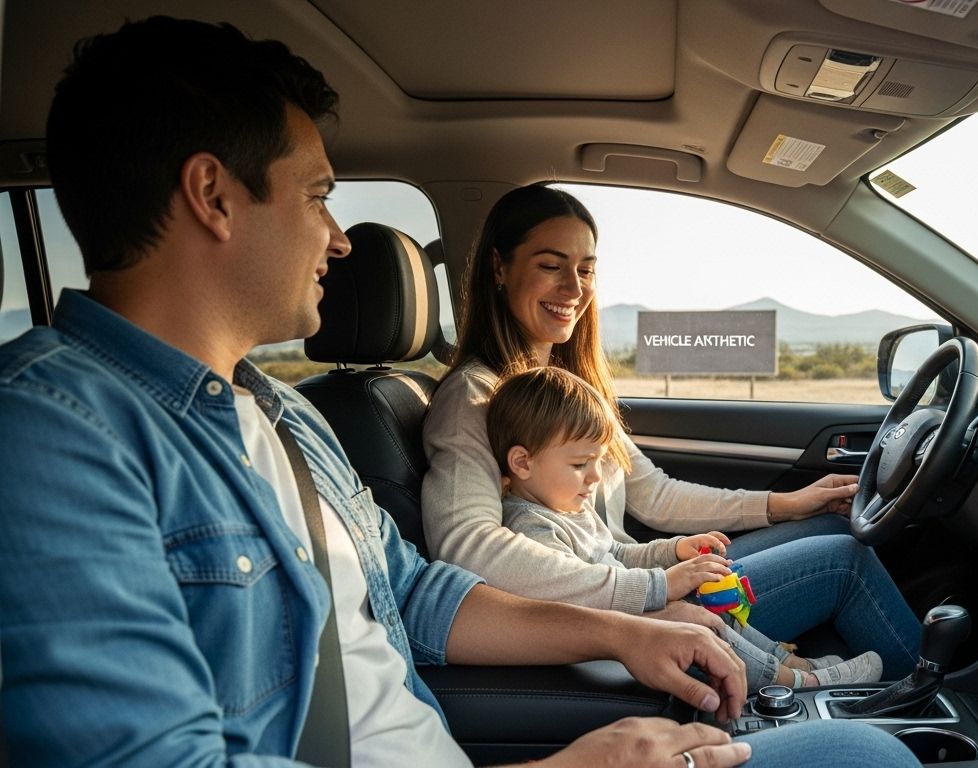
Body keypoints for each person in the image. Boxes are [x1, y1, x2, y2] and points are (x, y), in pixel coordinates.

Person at [0, 16, 924, 768]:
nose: (340, 238)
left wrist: (622, 631)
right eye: (317, 195)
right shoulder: (54, 434)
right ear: (213, 194)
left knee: (870, 753)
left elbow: (422, 595)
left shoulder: (286, 418)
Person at [422, 184, 923, 679]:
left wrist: (784, 504)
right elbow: (468, 546)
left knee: (832, 528)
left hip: (627, 576)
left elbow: (655, 496)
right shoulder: (474, 400)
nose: (574, 289)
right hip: (609, 603)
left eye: (586, 270)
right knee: (846, 559)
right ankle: (930, 696)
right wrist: (651, 588)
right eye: (551, 266)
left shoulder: (569, 392)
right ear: (499, 269)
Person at [488, 366, 886, 691]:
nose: (595, 477)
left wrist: (674, 550)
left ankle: (787, 659)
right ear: (522, 463)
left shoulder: (570, 507)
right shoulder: (532, 528)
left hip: (629, 603)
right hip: (606, 632)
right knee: (704, 619)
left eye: (597, 461)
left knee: (713, 587)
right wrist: (664, 583)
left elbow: (620, 554)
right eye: (579, 465)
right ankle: (797, 680)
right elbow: (578, 591)